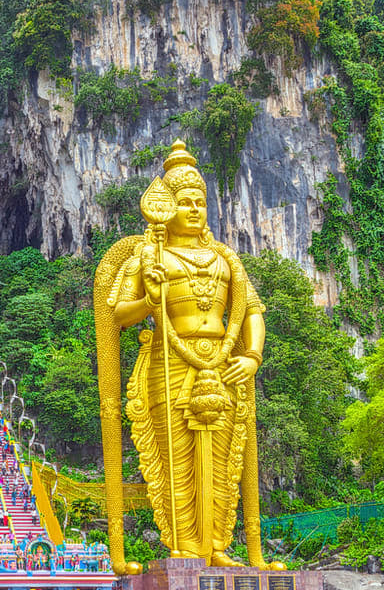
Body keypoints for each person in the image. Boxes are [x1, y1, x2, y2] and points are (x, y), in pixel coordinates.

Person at [99, 140, 277, 569]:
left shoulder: (225, 259)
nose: (195, 209)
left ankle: (218, 547)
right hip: (170, 363)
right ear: (166, 208)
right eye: (185, 202)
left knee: (223, 461)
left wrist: (251, 355)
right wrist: (150, 299)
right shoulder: (149, 255)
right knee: (173, 459)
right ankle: (184, 548)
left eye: (200, 201)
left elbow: (251, 310)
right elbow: (117, 313)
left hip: (222, 363)